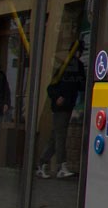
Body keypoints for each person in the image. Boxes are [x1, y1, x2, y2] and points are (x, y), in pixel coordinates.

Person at [36, 43, 86, 180]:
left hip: (65, 106)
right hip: (62, 107)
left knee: (55, 136)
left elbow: (81, 85)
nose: (78, 55)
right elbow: (51, 88)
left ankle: (42, 163)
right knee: (60, 136)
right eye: (79, 52)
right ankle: (61, 166)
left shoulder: (70, 67)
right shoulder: (69, 67)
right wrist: (58, 97)